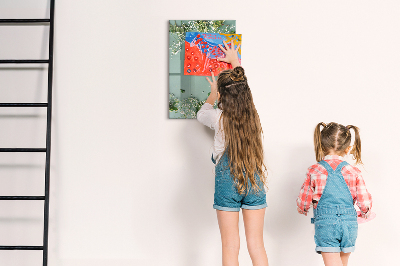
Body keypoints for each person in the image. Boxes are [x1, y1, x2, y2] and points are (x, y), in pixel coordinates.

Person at [197, 40, 269, 266]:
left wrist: (212, 94)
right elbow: (242, 87)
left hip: (228, 181)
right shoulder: (252, 116)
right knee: (256, 244)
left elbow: (201, 114)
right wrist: (235, 62)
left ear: (222, 95)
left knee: (230, 245)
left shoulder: (218, 117)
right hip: (254, 178)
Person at [297, 122, 373, 266]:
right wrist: (365, 212)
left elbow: (304, 198)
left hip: (326, 224)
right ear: (348, 149)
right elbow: (364, 200)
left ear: (321, 145)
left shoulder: (314, 170)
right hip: (349, 224)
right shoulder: (353, 172)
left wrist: (302, 208)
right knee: (343, 263)